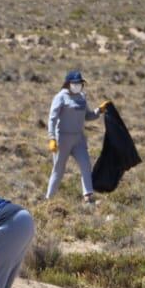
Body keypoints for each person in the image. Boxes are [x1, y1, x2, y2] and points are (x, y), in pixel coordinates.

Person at [46, 69, 105, 203]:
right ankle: (49, 199)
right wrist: (52, 138)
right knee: (58, 169)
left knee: (86, 165)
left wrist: (99, 110)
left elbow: (88, 116)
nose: (78, 85)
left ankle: (88, 197)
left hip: (78, 139)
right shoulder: (61, 97)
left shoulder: (82, 97)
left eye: (80, 83)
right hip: (63, 139)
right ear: (68, 83)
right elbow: (52, 119)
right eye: (75, 83)